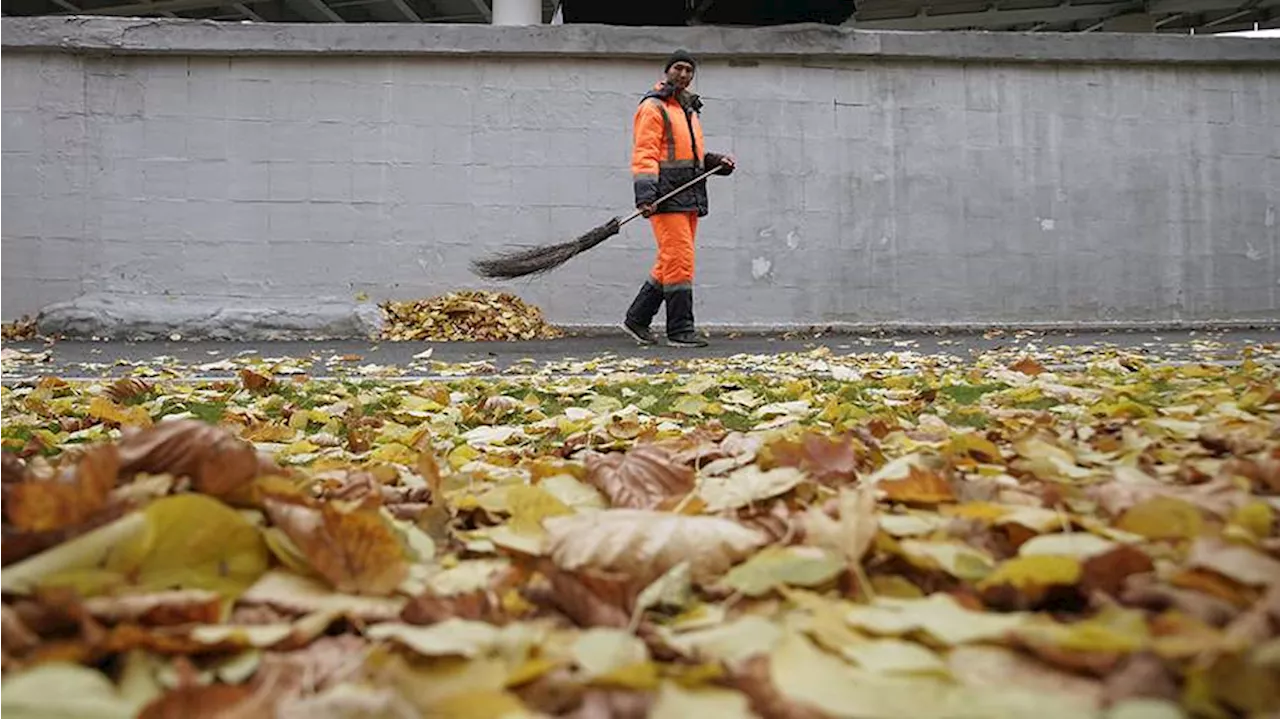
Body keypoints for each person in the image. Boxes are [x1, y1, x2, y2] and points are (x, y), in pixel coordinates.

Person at [622, 49, 735, 348]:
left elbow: (691, 157)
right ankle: (680, 330)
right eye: (678, 68)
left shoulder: (688, 109)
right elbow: (645, 153)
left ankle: (637, 320)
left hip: (688, 195)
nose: (683, 74)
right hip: (665, 197)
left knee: (669, 260)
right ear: (667, 71)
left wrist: (716, 162)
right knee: (680, 260)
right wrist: (646, 196)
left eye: (689, 70)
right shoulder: (654, 107)